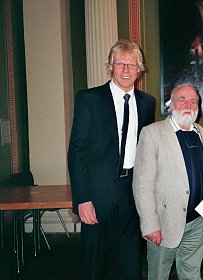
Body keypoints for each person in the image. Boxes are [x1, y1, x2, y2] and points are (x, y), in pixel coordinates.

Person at [68, 39, 155, 280]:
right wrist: (82, 199)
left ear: (140, 69)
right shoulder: (89, 99)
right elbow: (77, 151)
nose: (126, 70)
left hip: (132, 194)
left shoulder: (147, 103)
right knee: (95, 268)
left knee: (131, 267)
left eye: (131, 64)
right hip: (97, 196)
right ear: (110, 66)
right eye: (120, 64)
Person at [133, 84, 203, 279]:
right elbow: (143, 184)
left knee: (192, 276)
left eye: (194, 101)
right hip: (165, 225)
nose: (188, 105)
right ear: (171, 105)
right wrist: (150, 225)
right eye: (182, 99)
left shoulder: (202, 133)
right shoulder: (152, 133)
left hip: (195, 224)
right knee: (159, 276)